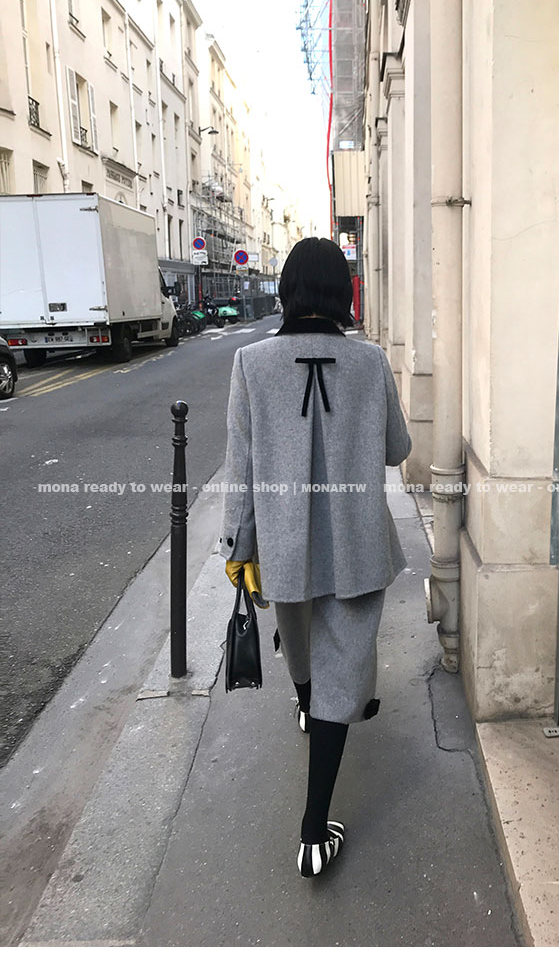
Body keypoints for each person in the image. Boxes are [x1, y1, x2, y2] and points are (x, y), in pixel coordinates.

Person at [218, 237, 412, 878]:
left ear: (287, 291)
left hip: (284, 545)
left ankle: (307, 704)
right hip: (356, 542)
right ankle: (312, 830)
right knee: (344, 661)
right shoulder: (370, 362)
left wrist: (239, 548)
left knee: (301, 646)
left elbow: (241, 468)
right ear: (342, 295)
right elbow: (396, 450)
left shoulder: (250, 363)